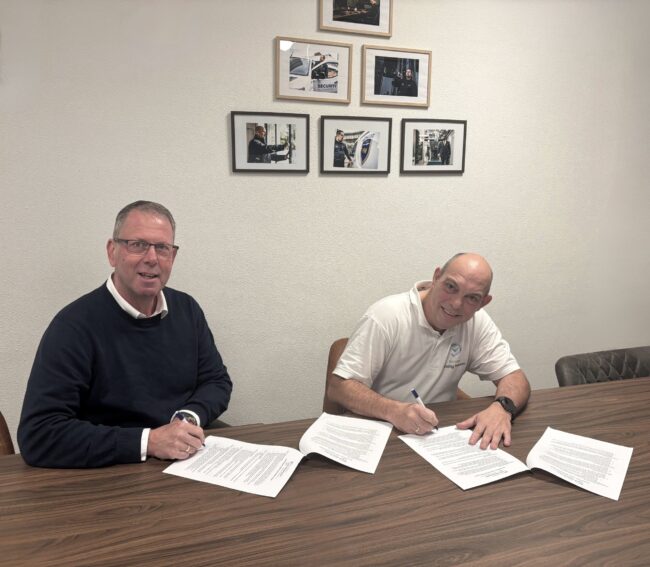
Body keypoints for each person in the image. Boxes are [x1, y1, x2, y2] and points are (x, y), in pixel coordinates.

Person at [18, 201, 233, 468]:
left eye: (162, 248)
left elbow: (216, 381)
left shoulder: (187, 309)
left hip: (184, 462)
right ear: (112, 252)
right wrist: (150, 441)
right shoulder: (73, 326)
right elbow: (39, 434)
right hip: (111, 470)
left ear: (173, 257)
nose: (152, 258)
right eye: (138, 245)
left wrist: (187, 418)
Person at [327, 253, 530, 450]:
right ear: (436, 277)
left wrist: (502, 407)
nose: (456, 304)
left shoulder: (477, 322)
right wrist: (394, 411)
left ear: (482, 303)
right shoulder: (386, 316)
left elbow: (514, 377)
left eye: (472, 298)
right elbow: (339, 387)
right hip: (379, 435)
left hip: (437, 435)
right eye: (451, 286)